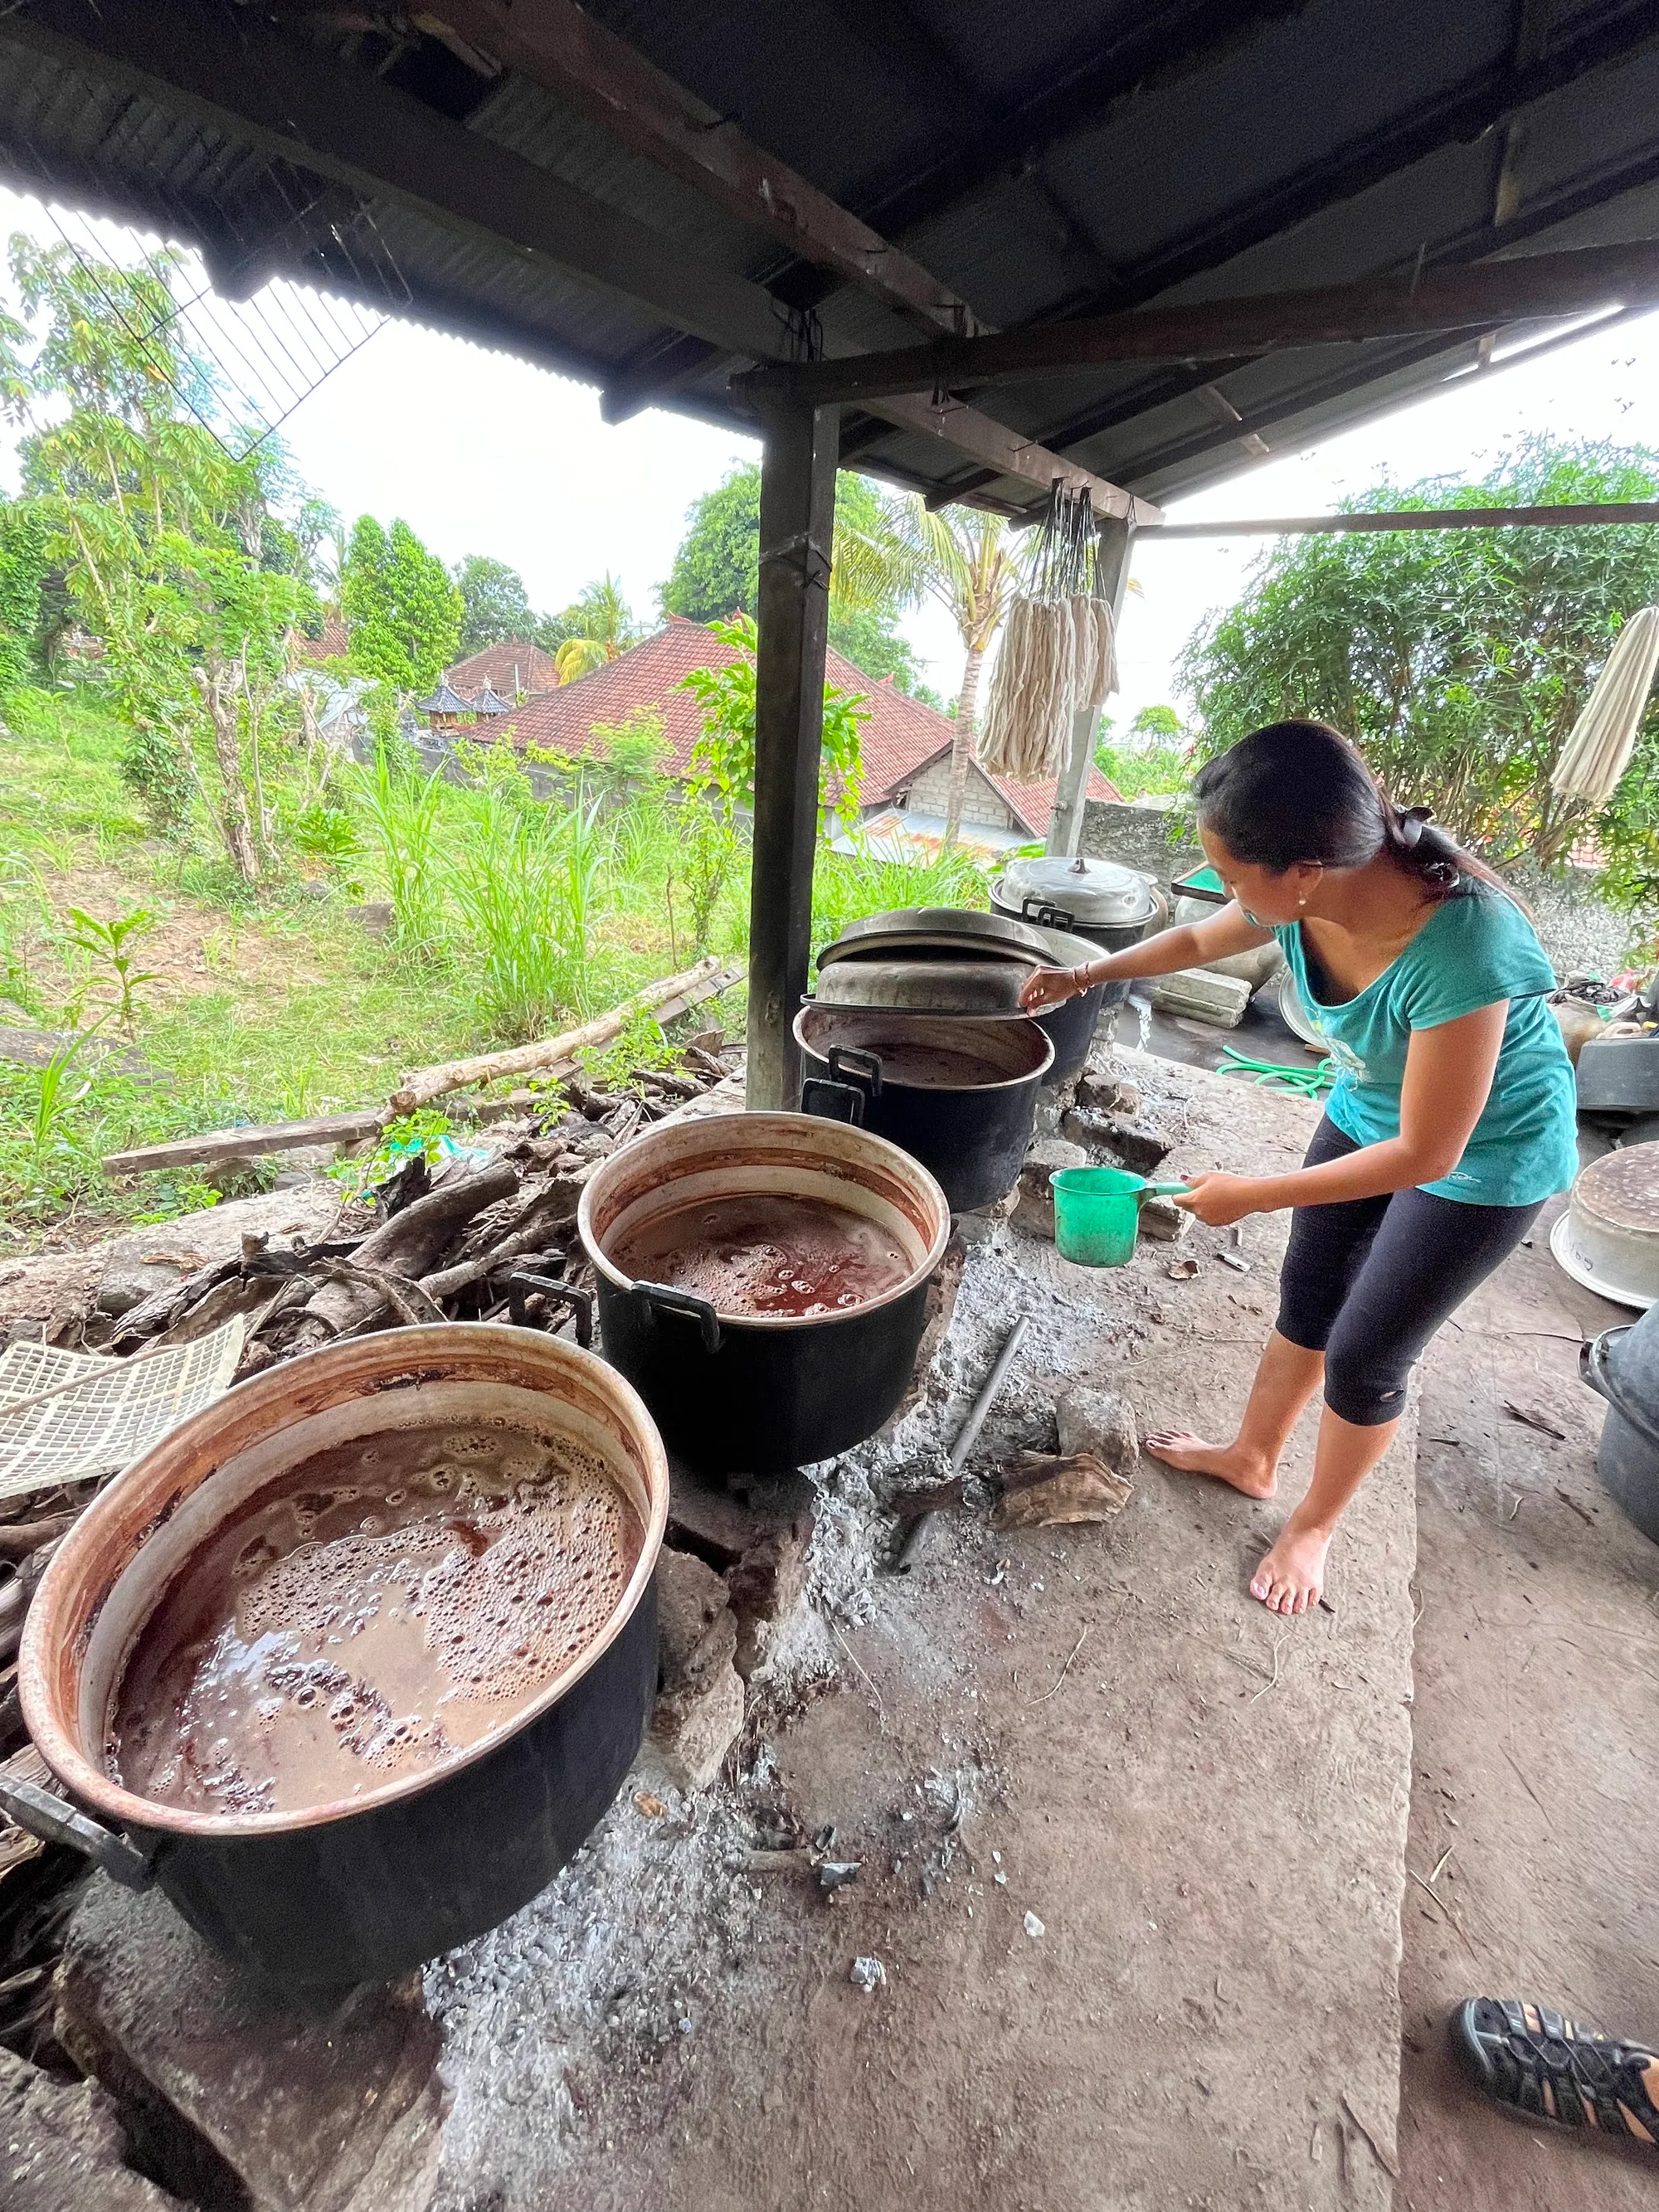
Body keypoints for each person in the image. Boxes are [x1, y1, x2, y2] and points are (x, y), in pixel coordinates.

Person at [1019, 720, 1578, 1616]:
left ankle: (1313, 1525)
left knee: (1364, 1354)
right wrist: (1086, 975)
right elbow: (1199, 942)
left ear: (1305, 869)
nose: (1225, 894)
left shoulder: (1464, 948)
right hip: (1368, 1111)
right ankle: (1251, 1457)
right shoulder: (1300, 894)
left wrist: (1253, 1193)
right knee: (1308, 1290)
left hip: (1484, 1159)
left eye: (1236, 877)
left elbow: (1428, 1152)